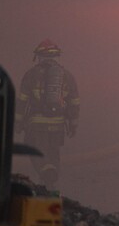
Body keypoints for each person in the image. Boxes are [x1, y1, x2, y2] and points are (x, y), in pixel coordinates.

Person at [15, 39, 80, 190]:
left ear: (39, 57)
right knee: (53, 153)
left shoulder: (31, 75)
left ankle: (47, 177)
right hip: (58, 124)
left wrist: (18, 123)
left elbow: (22, 102)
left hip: (37, 124)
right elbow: (74, 103)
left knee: (37, 152)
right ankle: (52, 185)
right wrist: (73, 125)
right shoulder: (67, 76)